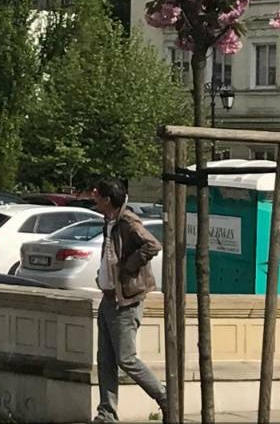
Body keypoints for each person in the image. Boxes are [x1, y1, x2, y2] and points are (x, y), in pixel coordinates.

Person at [91, 179, 167, 423]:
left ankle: (165, 398)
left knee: (126, 359)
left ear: (107, 199)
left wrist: (128, 268)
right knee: (105, 360)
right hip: (108, 299)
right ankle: (106, 414)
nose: (94, 196)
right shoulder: (109, 221)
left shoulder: (127, 221)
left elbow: (152, 245)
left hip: (125, 301)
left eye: (98, 193)